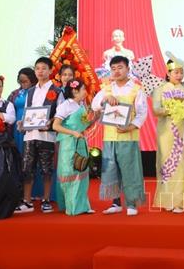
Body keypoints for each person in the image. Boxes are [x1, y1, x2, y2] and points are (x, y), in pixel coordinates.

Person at [91, 55, 147, 216]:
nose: (116, 71)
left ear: (128, 69)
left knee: (130, 170)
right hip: (109, 137)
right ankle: (115, 203)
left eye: (120, 68)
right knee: (110, 170)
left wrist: (130, 127)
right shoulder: (107, 88)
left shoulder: (136, 89)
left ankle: (131, 204)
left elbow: (142, 113)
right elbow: (95, 105)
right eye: (113, 68)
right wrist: (105, 99)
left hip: (128, 137)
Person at [15, 57, 64, 214]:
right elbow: (27, 113)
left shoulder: (57, 91)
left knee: (46, 168)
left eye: (44, 68)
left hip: (47, 136)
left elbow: (61, 114)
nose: (40, 71)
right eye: (37, 68)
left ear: (50, 71)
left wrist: (50, 123)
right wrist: (22, 123)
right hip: (30, 135)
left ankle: (46, 199)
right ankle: (27, 201)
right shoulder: (30, 91)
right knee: (27, 168)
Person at [151, 53, 184, 213]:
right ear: (168, 73)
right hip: (166, 132)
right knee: (167, 164)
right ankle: (168, 200)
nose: (179, 75)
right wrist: (172, 108)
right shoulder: (159, 90)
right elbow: (156, 109)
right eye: (176, 72)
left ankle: (181, 201)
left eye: (181, 72)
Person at [52, 80, 96, 215]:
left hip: (80, 142)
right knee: (70, 172)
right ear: (75, 91)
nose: (85, 92)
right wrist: (73, 133)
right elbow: (55, 126)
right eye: (83, 89)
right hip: (69, 144)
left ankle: (82, 205)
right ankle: (72, 206)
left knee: (81, 171)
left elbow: (85, 125)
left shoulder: (81, 105)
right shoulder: (66, 106)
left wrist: (96, 117)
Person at [7, 67, 44, 199]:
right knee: (19, 160)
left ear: (32, 80)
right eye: (20, 81)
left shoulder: (37, 92)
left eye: (25, 81)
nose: (23, 83)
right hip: (17, 130)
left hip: (33, 128)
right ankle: (20, 191)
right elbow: (8, 109)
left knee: (33, 160)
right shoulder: (15, 94)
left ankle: (35, 192)